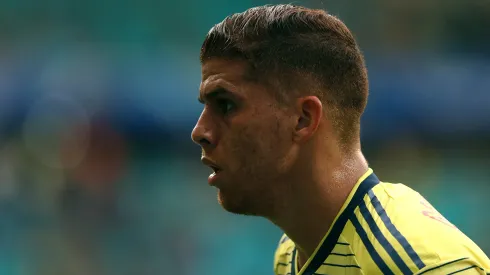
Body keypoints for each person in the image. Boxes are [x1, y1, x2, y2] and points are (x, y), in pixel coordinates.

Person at [191, 4, 490, 275]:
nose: (200, 132)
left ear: (303, 119)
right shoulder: (290, 254)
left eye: (226, 105)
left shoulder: (420, 266)